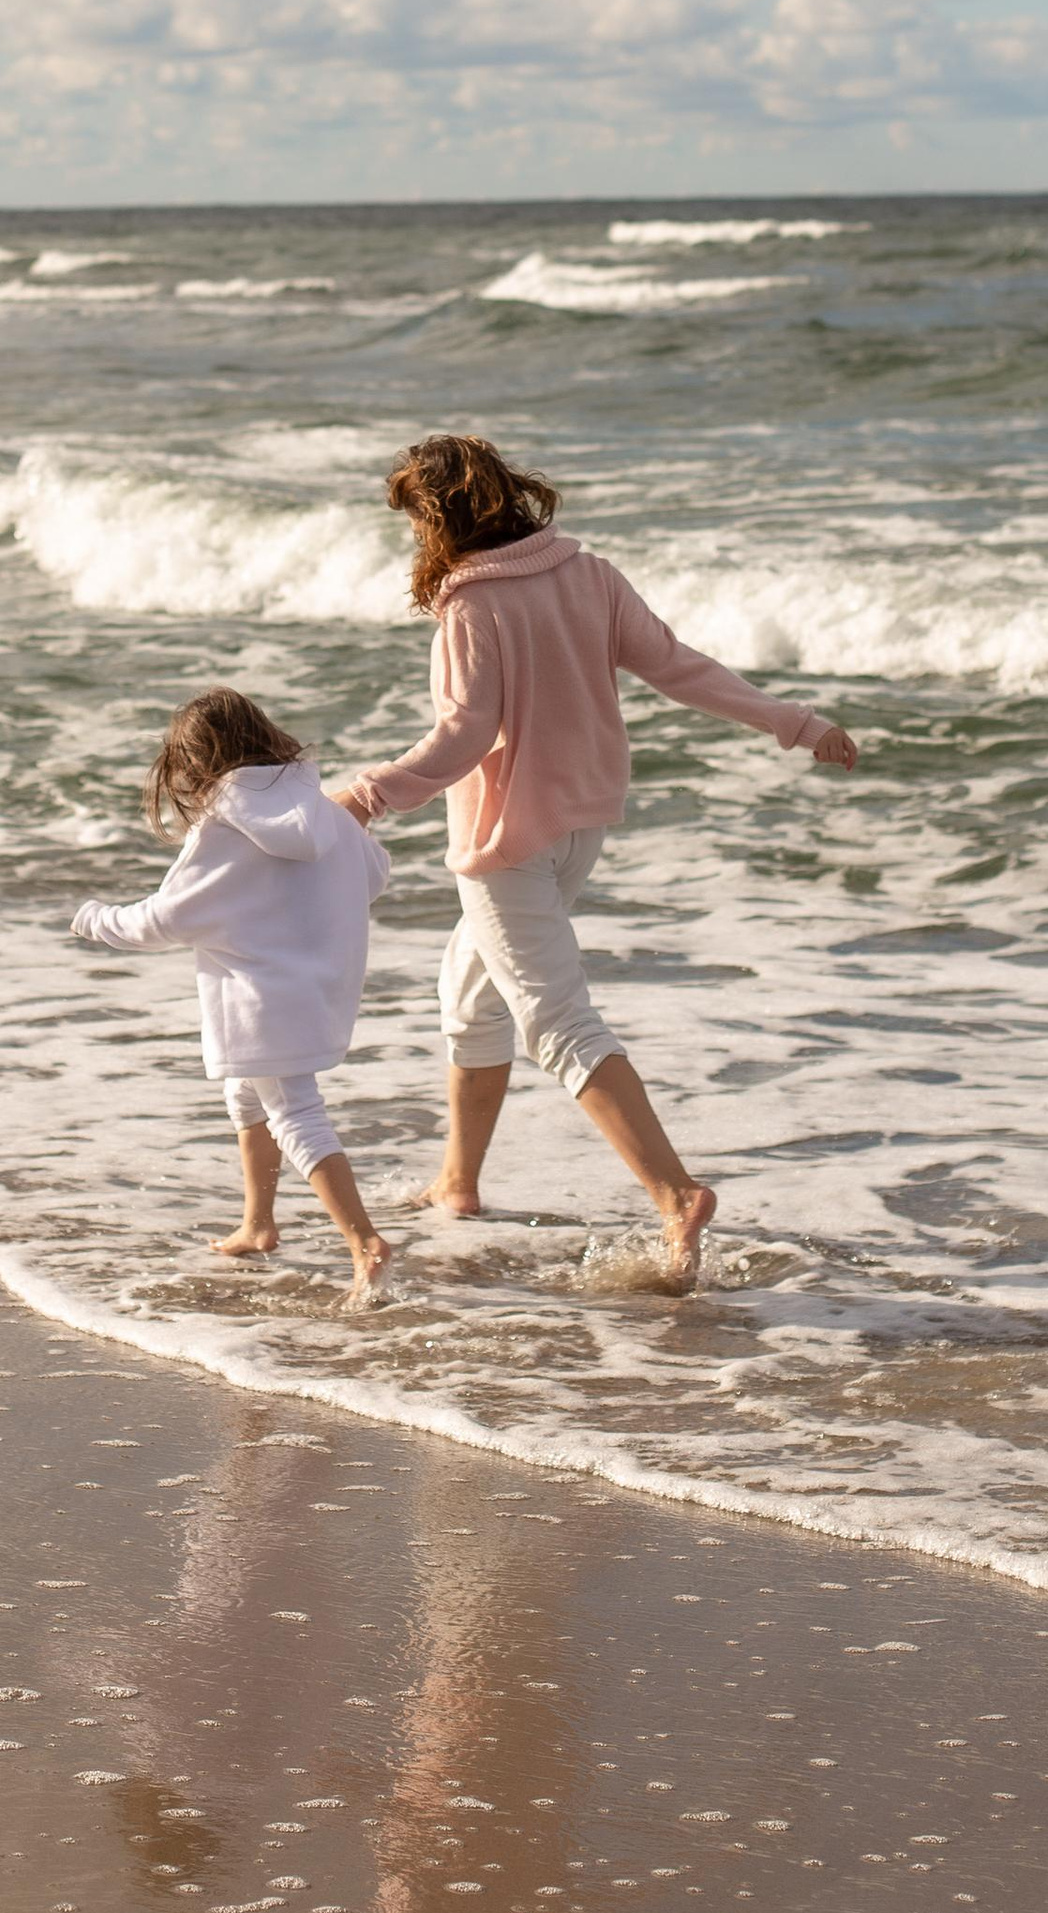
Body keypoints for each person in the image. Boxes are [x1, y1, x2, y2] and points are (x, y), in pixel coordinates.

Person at [333, 433, 858, 1273]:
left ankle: (675, 1194)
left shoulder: (473, 606)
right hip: (580, 829)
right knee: (472, 999)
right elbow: (680, 668)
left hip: (506, 841)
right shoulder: (588, 573)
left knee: (557, 1020)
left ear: (437, 518)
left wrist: (364, 796)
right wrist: (797, 722)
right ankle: (457, 1182)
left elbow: (466, 734)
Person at [73, 685, 394, 1300]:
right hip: (320, 983)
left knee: (296, 1113)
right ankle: (259, 1224)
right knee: (245, 1094)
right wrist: (305, 905)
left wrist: (92, 918)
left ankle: (365, 1243)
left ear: (194, 764)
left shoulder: (226, 826)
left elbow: (164, 919)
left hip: (260, 996)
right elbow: (374, 874)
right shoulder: (324, 810)